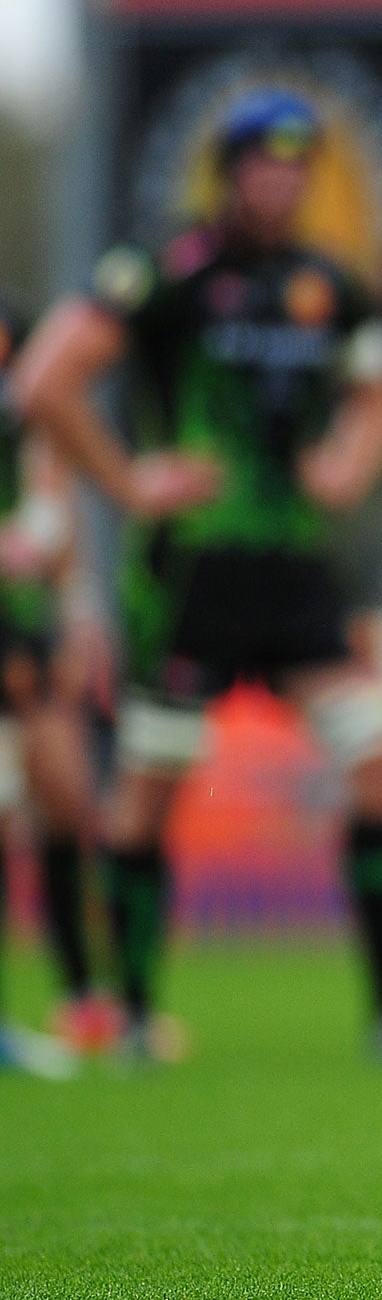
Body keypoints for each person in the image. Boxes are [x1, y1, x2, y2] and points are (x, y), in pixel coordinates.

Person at [15, 87, 382, 1063]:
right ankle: (133, 1015)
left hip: (298, 579)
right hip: (189, 581)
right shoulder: (162, 275)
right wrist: (129, 482)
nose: (282, 181)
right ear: (227, 172)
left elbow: (380, 386)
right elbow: (47, 380)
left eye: (297, 166)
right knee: (149, 793)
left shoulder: (324, 283)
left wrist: (351, 458)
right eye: (264, 164)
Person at [0, 296, 109, 1078]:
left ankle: (81, 998)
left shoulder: (19, 326)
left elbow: (49, 484)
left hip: (23, 624)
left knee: (67, 800)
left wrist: (79, 611)